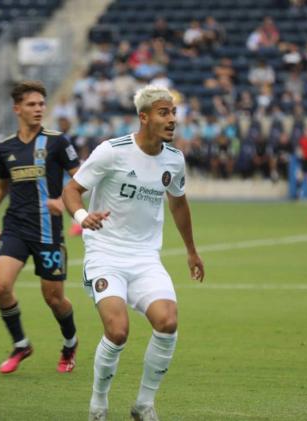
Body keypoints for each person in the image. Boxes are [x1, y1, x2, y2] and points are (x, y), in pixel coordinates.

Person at [62, 85, 205, 421]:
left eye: (173, 113)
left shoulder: (174, 159)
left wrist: (191, 251)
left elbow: (179, 202)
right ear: (144, 117)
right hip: (105, 253)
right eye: (163, 113)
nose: (171, 119)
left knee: (167, 322)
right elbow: (72, 190)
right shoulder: (112, 151)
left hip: (145, 258)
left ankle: (143, 404)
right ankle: (98, 405)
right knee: (118, 330)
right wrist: (83, 218)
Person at [0, 81, 81, 374]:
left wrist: (63, 202)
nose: (39, 109)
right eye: (32, 104)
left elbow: (82, 179)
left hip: (48, 232)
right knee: (2, 285)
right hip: (15, 227)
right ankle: (21, 344)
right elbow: (0, 188)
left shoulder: (57, 141)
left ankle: (70, 343)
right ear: (17, 109)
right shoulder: (5, 148)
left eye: (42, 104)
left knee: (54, 299)